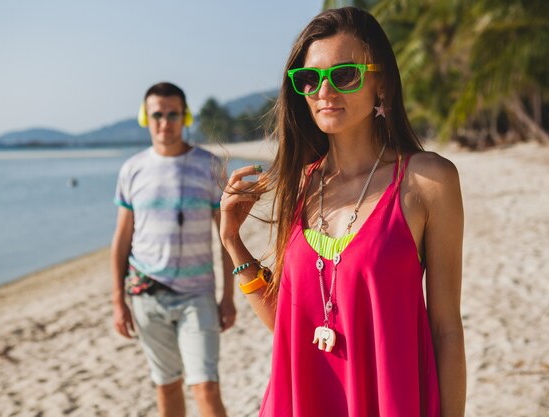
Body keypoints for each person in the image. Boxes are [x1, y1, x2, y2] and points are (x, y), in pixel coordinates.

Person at [220, 7, 466, 417]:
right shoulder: (300, 185)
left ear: (381, 84)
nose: (324, 91)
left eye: (345, 74)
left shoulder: (427, 181)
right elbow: (290, 327)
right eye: (310, 79)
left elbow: (446, 329)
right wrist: (233, 243)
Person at [111, 82, 236, 417]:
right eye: (156, 115)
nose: (164, 122)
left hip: (198, 296)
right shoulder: (132, 169)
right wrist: (117, 300)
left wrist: (229, 296)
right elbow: (122, 238)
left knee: (206, 386)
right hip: (147, 295)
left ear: (185, 117)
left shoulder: (210, 166)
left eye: (172, 114)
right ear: (145, 118)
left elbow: (226, 236)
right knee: (166, 384)